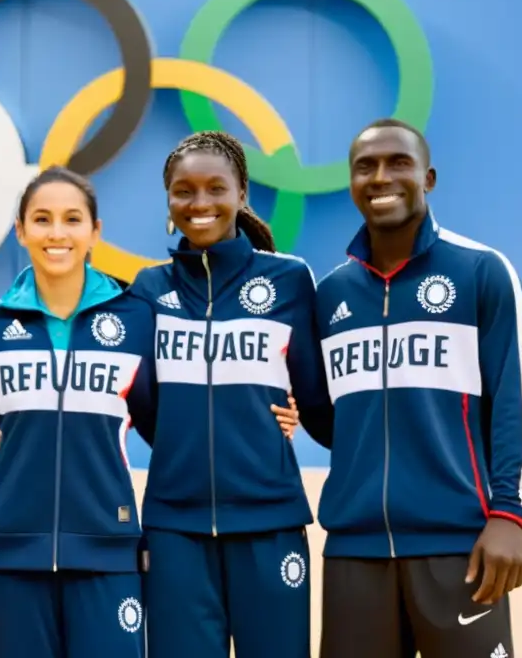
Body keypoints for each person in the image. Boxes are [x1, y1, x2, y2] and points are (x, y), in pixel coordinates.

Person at [314, 118, 522, 658]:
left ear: (429, 178)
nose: (381, 177)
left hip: (459, 548)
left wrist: (509, 514)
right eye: (365, 166)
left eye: (398, 163)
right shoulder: (330, 295)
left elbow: (518, 401)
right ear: (350, 183)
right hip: (354, 551)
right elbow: (334, 419)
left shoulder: (482, 271)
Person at [125, 130, 334, 658]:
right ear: (169, 200)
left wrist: (265, 429)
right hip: (175, 527)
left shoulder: (289, 280)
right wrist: (185, 439)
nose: (200, 203)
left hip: (272, 521)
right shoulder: (148, 290)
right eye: (184, 190)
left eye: (215, 188)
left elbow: (316, 399)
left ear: (242, 194)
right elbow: (145, 405)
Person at [0, 166, 160, 658]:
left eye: (72, 219)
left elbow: (167, 427)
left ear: (95, 232)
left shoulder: (135, 319)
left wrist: (269, 413)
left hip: (108, 544)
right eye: (42, 220)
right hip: (11, 549)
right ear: (20, 231)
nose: (57, 233)